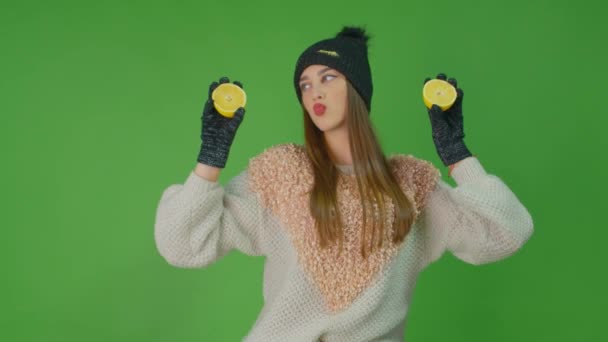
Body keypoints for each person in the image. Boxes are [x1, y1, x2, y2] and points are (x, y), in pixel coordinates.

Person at [154, 26, 534, 342]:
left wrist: (457, 156)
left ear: (357, 89)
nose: (313, 92)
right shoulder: (281, 174)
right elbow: (182, 246)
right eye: (304, 84)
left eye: (328, 78)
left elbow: (507, 232)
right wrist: (210, 159)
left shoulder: (409, 186)